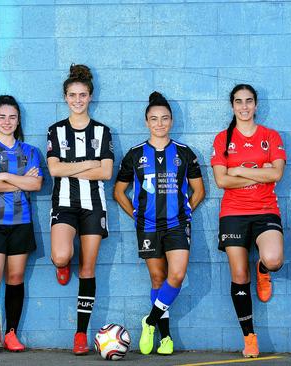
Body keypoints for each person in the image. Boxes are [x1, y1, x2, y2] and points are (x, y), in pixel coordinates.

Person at [114, 91, 205, 355]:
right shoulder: (134, 155)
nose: (160, 123)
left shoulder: (185, 154)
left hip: (177, 224)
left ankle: (149, 321)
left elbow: (198, 191)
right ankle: (165, 339)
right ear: (146, 122)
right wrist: (136, 215)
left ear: (172, 121)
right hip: (148, 226)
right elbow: (119, 192)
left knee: (176, 275)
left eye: (165, 118)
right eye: (154, 119)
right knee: (157, 278)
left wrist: (187, 209)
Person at [210, 84, 286, 358]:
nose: (244, 106)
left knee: (275, 258)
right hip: (233, 213)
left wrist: (239, 169)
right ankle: (250, 337)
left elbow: (276, 175)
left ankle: (263, 268)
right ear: (232, 106)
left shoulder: (270, 136)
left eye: (249, 101)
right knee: (239, 275)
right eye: (239, 102)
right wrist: (259, 172)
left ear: (256, 105)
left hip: (266, 209)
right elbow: (221, 181)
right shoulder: (223, 139)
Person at [46, 64, 114, 355]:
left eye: (82, 95)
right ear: (65, 97)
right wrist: (89, 164)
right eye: (72, 95)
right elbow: (53, 169)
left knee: (88, 268)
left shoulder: (102, 131)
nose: (77, 100)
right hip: (64, 203)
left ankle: (80, 334)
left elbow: (107, 172)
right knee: (62, 254)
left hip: (93, 206)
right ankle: (62, 265)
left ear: (90, 97)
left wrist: (70, 168)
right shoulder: (55, 130)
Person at [0, 95, 43, 353]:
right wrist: (19, 179)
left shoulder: (31, 152)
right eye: (2, 116)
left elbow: (36, 184)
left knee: (15, 277)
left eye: (12, 117)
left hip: (21, 222)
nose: (7, 121)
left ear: (18, 120)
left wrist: (2, 175)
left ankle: (11, 333)